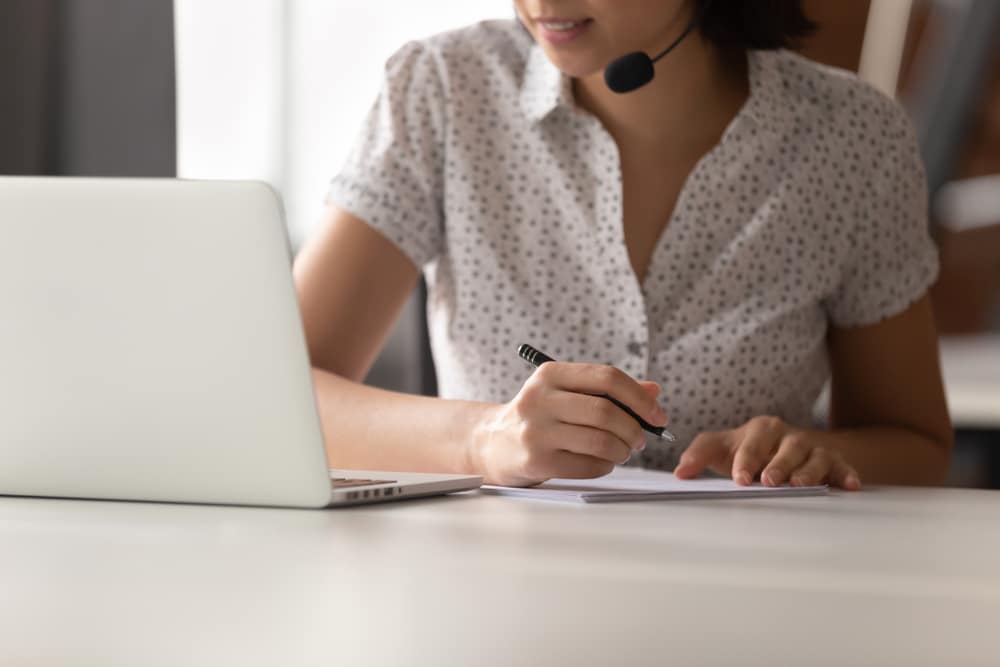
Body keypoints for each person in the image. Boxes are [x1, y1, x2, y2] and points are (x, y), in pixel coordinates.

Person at [293, 0, 953, 489]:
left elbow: (916, 446)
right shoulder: (442, 90)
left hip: (748, 600)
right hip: (491, 596)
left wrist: (812, 452)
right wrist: (482, 438)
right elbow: (280, 395)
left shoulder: (853, 139)